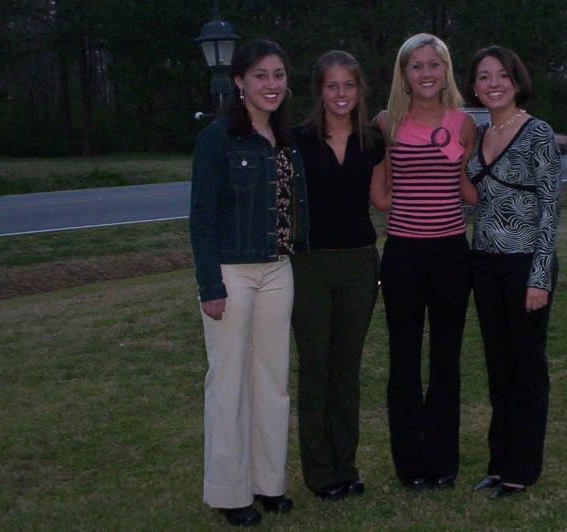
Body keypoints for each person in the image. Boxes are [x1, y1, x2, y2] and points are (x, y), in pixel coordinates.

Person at [189, 39, 308, 527]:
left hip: (278, 269)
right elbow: (202, 218)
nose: (271, 84)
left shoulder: (285, 139)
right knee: (229, 383)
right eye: (260, 75)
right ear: (239, 81)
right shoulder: (218, 138)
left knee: (272, 381)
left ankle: (268, 484)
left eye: (278, 75)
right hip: (231, 273)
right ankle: (230, 491)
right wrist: (209, 286)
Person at [376, 33, 476, 490]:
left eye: (434, 64)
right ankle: (410, 464)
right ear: (404, 74)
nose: (426, 73)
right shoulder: (386, 124)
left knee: (445, 358)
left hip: (451, 253)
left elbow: (468, 189)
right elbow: (382, 196)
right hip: (403, 254)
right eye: (416, 66)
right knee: (404, 358)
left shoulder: (463, 124)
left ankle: (442, 462)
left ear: (446, 70)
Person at [462, 45, 561, 499]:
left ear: (517, 80)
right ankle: (499, 463)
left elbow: (550, 208)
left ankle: (522, 468)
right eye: (484, 77)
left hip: (525, 264)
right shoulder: (481, 132)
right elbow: (475, 200)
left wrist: (539, 277)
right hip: (484, 262)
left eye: (502, 74)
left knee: (526, 368)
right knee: (498, 369)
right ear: (474, 87)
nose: (494, 84)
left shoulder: (537, 132)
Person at [291, 50, 389, 501]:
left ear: (359, 89)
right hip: (310, 265)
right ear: (319, 91)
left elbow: (382, 199)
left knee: (346, 370)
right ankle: (319, 471)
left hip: (359, 265)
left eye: (348, 85)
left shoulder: (373, 141)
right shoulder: (296, 141)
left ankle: (346, 465)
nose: (341, 94)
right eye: (332, 86)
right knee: (316, 368)